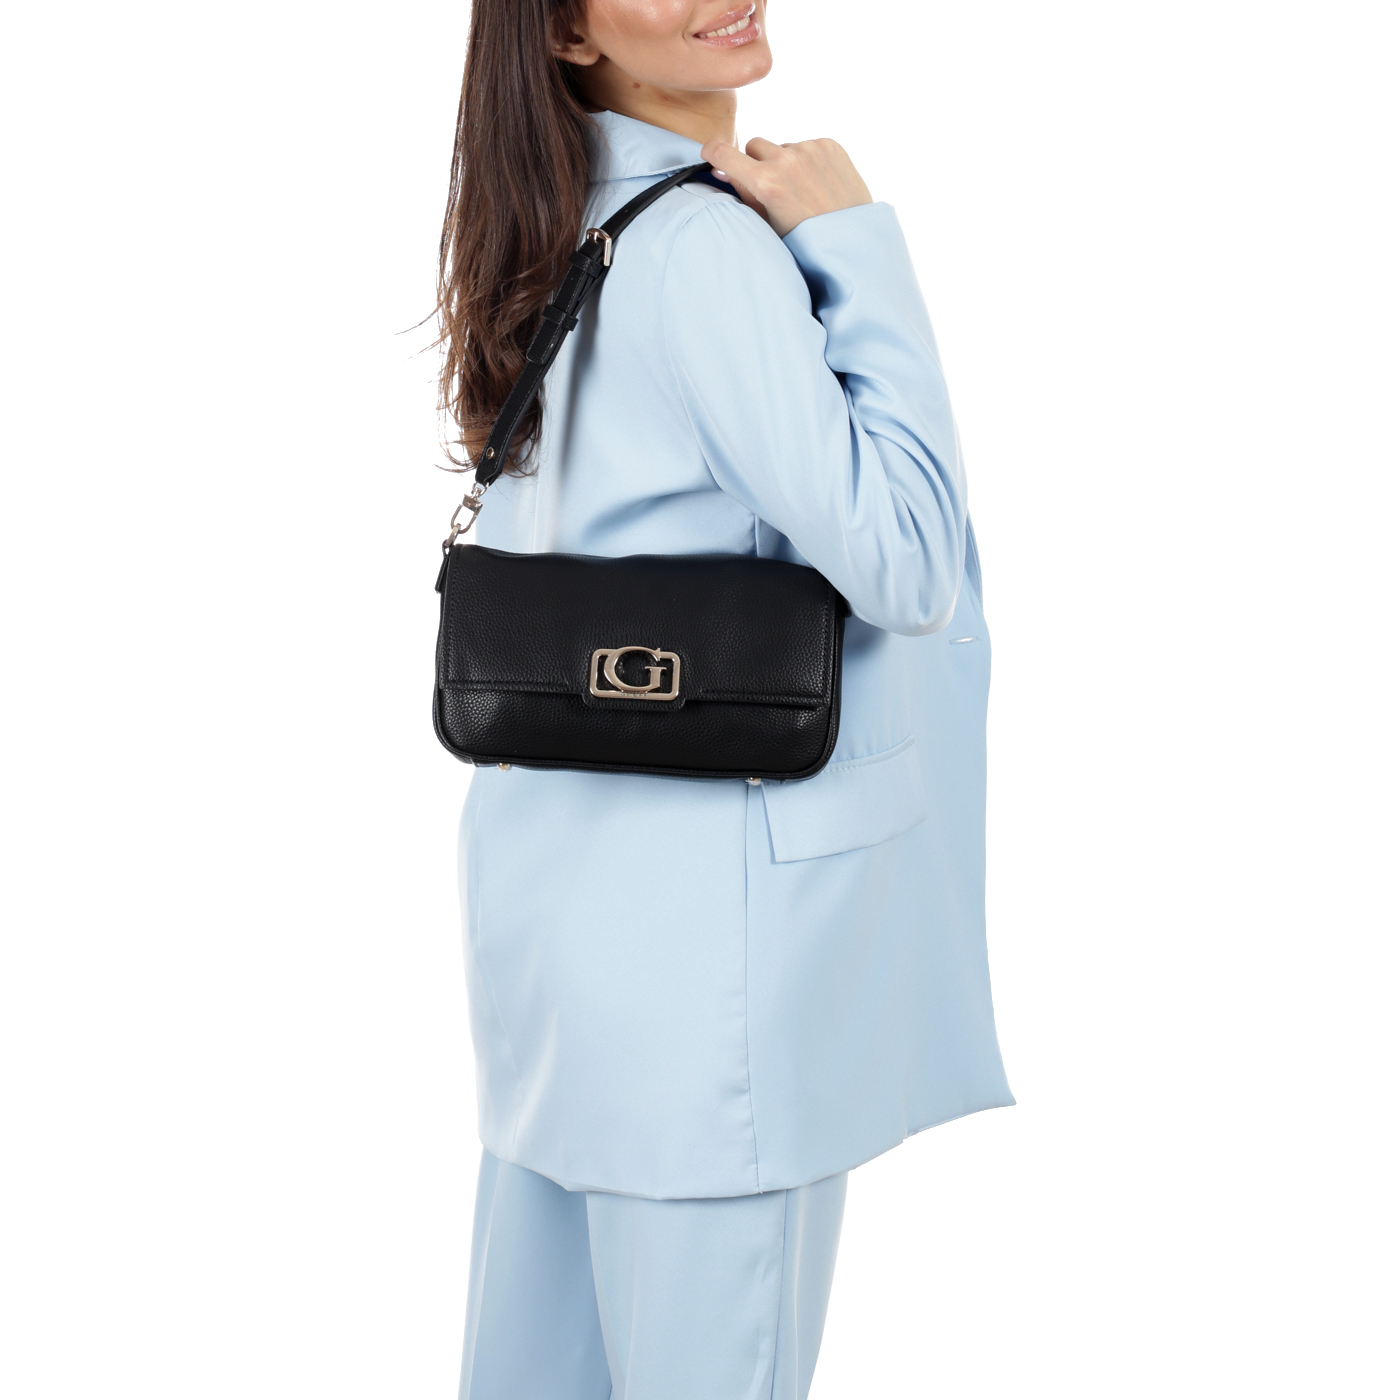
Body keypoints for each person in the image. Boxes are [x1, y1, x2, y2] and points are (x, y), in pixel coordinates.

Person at [436, 3, 1013, 1396]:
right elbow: (906, 559)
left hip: (562, 964)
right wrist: (854, 238)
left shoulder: (557, 225)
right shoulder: (706, 248)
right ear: (565, 34)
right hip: (717, 984)